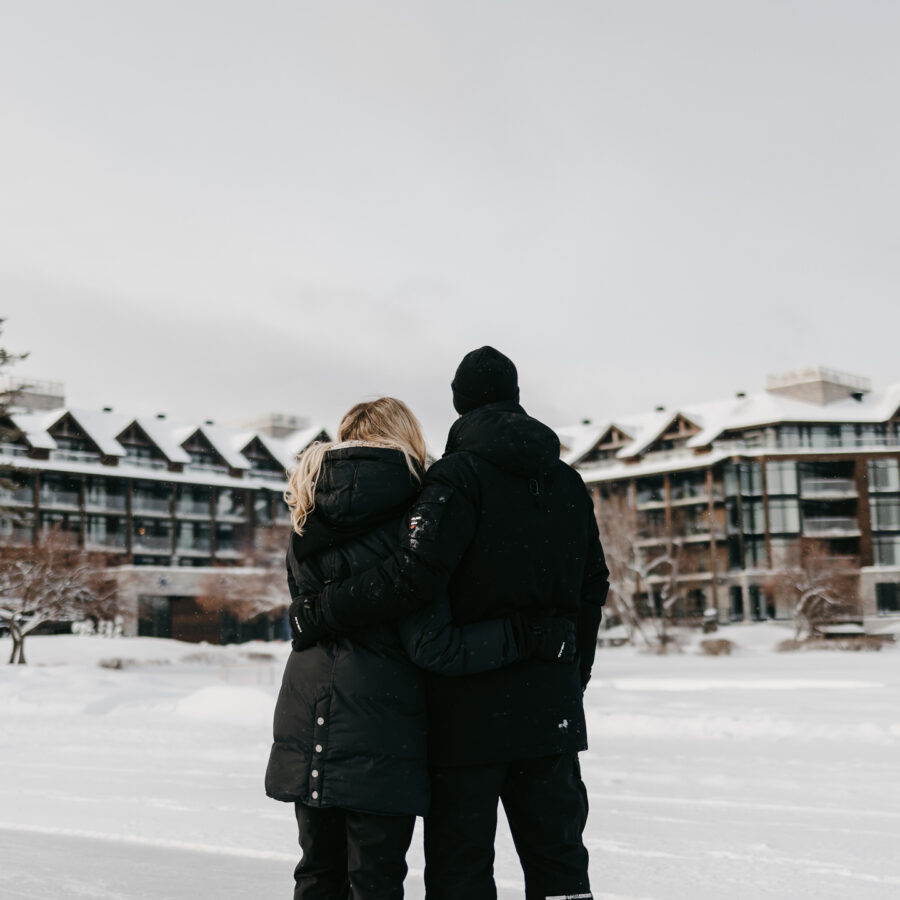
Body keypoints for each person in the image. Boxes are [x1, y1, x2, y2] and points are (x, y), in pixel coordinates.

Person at [293, 347, 610, 900]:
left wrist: (321, 611)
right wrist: (570, 676)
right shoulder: (567, 483)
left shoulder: (455, 479)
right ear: (515, 397)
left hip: (467, 716)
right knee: (559, 864)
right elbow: (592, 589)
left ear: (459, 403)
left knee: (460, 871)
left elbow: (412, 578)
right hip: (551, 711)